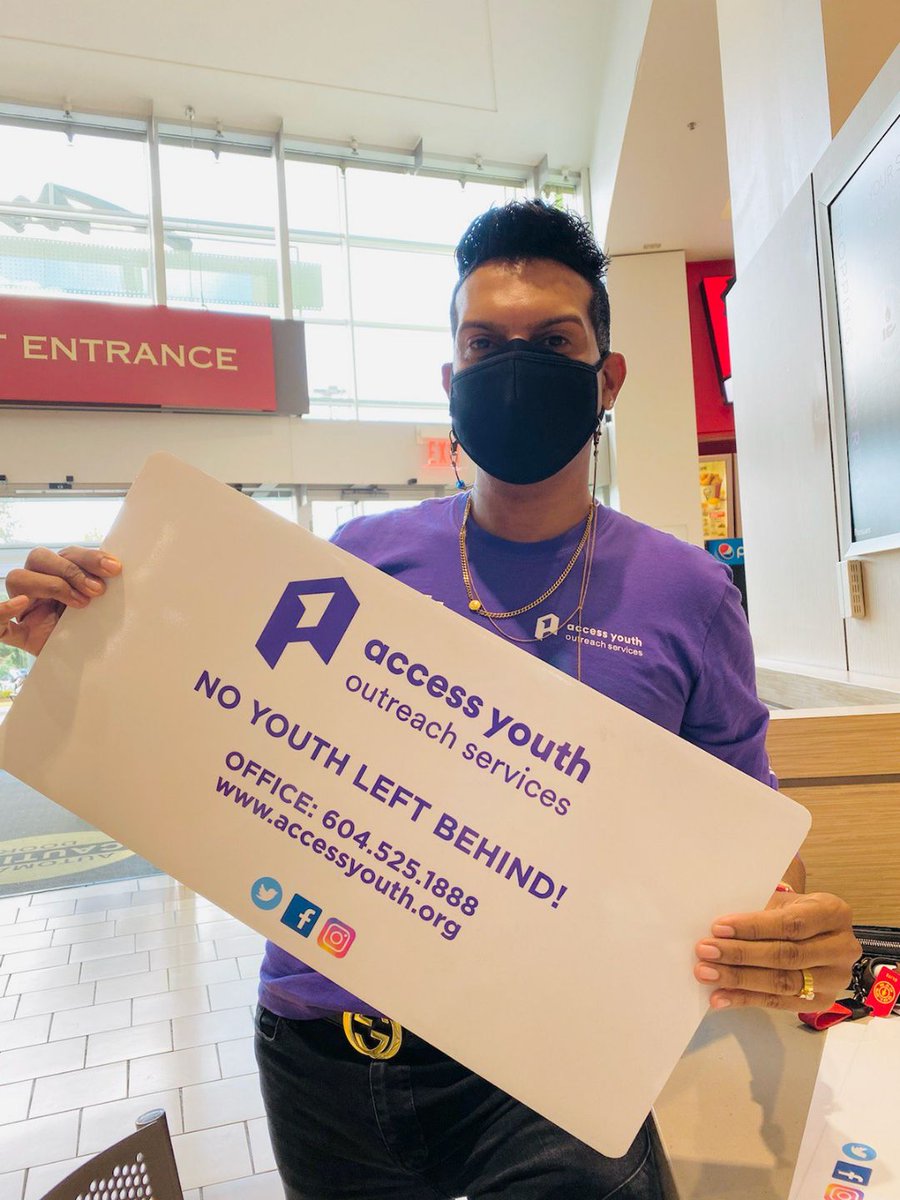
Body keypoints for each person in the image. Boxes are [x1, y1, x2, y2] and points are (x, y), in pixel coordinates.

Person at [1, 200, 860, 1200]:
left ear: (608, 377)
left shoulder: (688, 594)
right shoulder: (357, 563)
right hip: (322, 1054)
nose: (515, 367)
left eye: (554, 342)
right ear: (452, 379)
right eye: (485, 344)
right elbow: (228, 736)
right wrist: (94, 653)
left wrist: (793, 934)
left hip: (552, 1057)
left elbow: (754, 843)